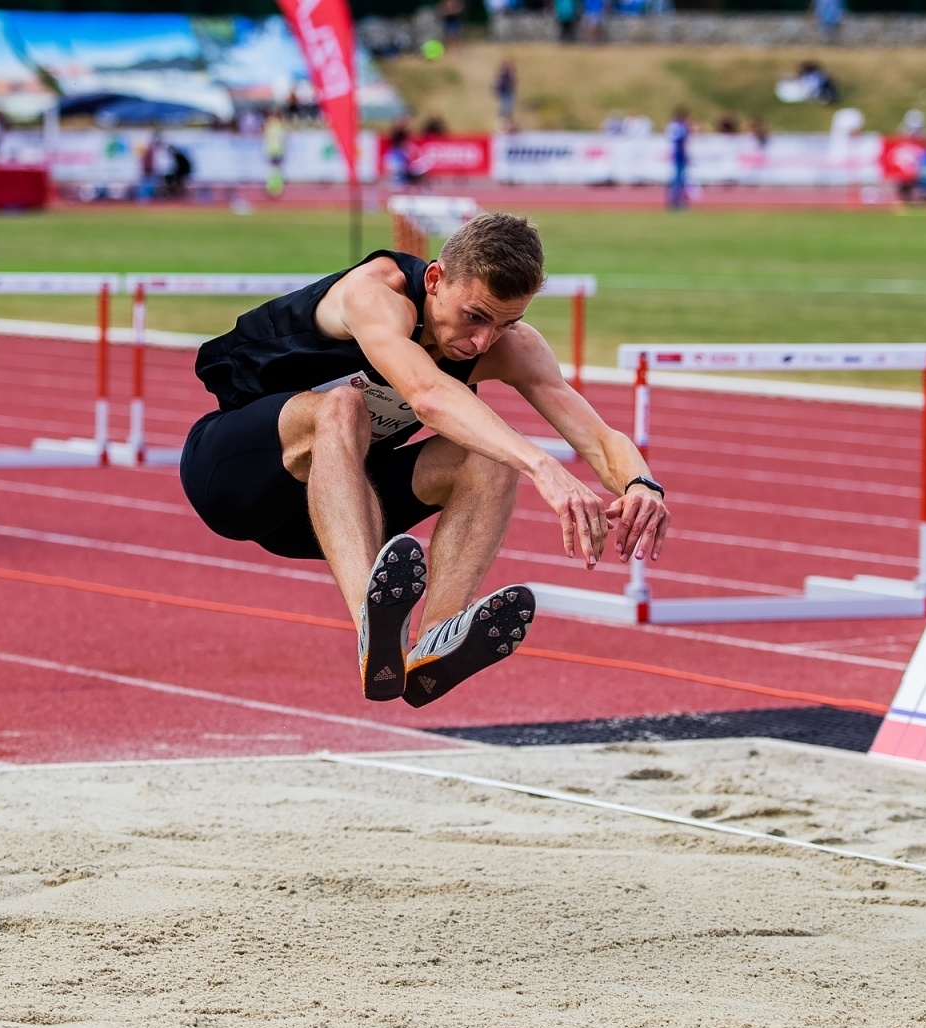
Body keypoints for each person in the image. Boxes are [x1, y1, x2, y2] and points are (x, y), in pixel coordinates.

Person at [180, 214, 670, 706]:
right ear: (435, 280)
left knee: (489, 454)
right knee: (343, 406)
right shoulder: (375, 295)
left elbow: (600, 438)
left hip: (339, 512)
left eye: (506, 323)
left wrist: (641, 486)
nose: (483, 341)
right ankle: (374, 627)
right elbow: (427, 395)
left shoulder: (509, 346)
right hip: (233, 475)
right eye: (476, 316)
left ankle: (435, 641)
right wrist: (542, 466)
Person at [667, 107, 691, 211]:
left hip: (675, 154)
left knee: (676, 179)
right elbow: (681, 142)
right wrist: (685, 154)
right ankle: (677, 202)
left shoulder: (672, 126)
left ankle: (673, 201)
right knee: (679, 179)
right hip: (679, 155)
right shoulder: (681, 126)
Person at [494, 61, 517, 130]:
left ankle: (507, 125)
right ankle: (504, 126)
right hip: (505, 93)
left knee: (506, 110)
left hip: (506, 93)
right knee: (505, 110)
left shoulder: (503, 74)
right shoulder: (504, 74)